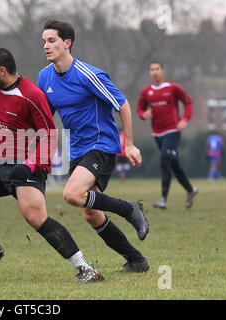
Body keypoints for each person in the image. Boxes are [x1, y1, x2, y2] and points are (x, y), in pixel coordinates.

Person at [0, 48, 104, 283]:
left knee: (36, 218)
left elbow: (50, 137)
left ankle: (86, 269)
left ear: (2, 71)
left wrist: (29, 166)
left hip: (25, 168)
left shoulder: (31, 95)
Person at [38, 19, 149, 273]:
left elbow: (122, 104)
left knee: (71, 194)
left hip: (102, 145)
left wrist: (129, 144)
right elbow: (44, 116)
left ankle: (129, 208)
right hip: (76, 149)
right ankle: (136, 260)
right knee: (91, 213)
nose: (46, 46)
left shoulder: (89, 74)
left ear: (67, 43)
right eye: (44, 41)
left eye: (51, 40)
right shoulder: (45, 77)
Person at [137, 62, 198, 209]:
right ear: (150, 72)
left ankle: (163, 199)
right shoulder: (147, 92)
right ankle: (191, 190)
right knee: (174, 164)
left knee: (165, 159)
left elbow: (188, 102)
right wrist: (143, 114)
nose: (155, 72)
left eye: (157, 69)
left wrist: (185, 119)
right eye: (152, 69)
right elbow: (140, 109)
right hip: (157, 133)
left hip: (172, 131)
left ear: (163, 71)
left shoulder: (173, 88)